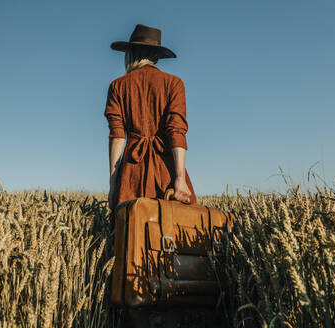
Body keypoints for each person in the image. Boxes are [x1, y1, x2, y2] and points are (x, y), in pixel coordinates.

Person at [104, 24, 196, 328]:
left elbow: (117, 136)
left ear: (131, 52)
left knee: (132, 251)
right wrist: (179, 178)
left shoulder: (118, 85)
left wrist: (114, 181)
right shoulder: (174, 83)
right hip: (166, 171)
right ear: (155, 55)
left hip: (131, 171)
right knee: (176, 248)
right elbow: (176, 131)